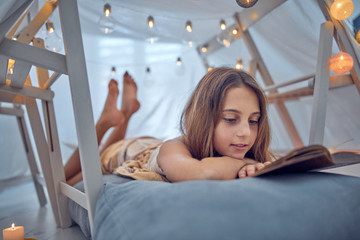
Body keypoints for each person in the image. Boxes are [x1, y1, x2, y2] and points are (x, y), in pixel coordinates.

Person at [64, 67, 273, 186]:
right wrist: (247, 162)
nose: (246, 132)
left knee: (92, 159)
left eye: (253, 121)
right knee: (65, 180)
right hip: (127, 151)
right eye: (230, 118)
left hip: (149, 143)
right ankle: (103, 124)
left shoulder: (243, 144)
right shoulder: (174, 148)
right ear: (203, 117)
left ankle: (126, 113)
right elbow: (202, 174)